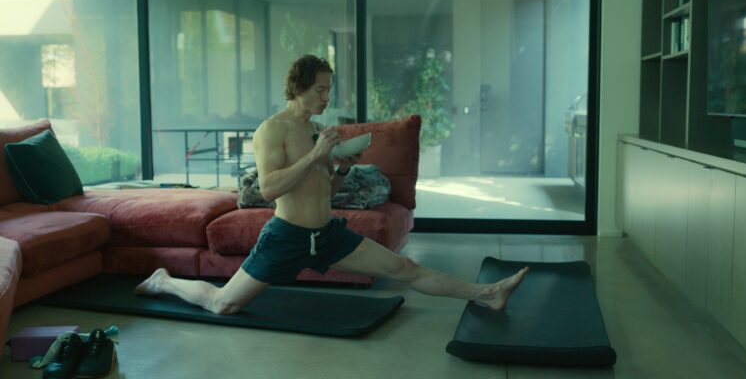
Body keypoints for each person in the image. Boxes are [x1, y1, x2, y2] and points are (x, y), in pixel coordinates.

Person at [135, 55, 529, 314]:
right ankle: (164, 281)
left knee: (404, 268)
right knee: (224, 304)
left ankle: (487, 294)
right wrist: (315, 154)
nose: (326, 97)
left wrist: (340, 169)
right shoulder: (272, 130)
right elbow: (269, 190)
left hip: (326, 234)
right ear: (300, 87)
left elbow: (326, 193)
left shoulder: (317, 130)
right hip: (286, 236)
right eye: (320, 89)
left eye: (328, 90)